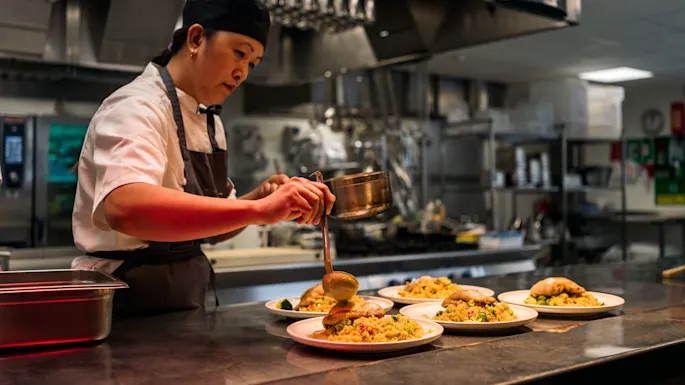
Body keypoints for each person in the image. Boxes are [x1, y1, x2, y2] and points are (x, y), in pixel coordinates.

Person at [71, 0, 335, 316]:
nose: (242, 73)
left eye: (253, 63)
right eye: (240, 53)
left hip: (187, 303)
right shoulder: (136, 107)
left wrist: (259, 199)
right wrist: (257, 210)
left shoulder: (209, 121)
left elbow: (212, 228)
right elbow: (126, 208)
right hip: (127, 305)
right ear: (196, 39)